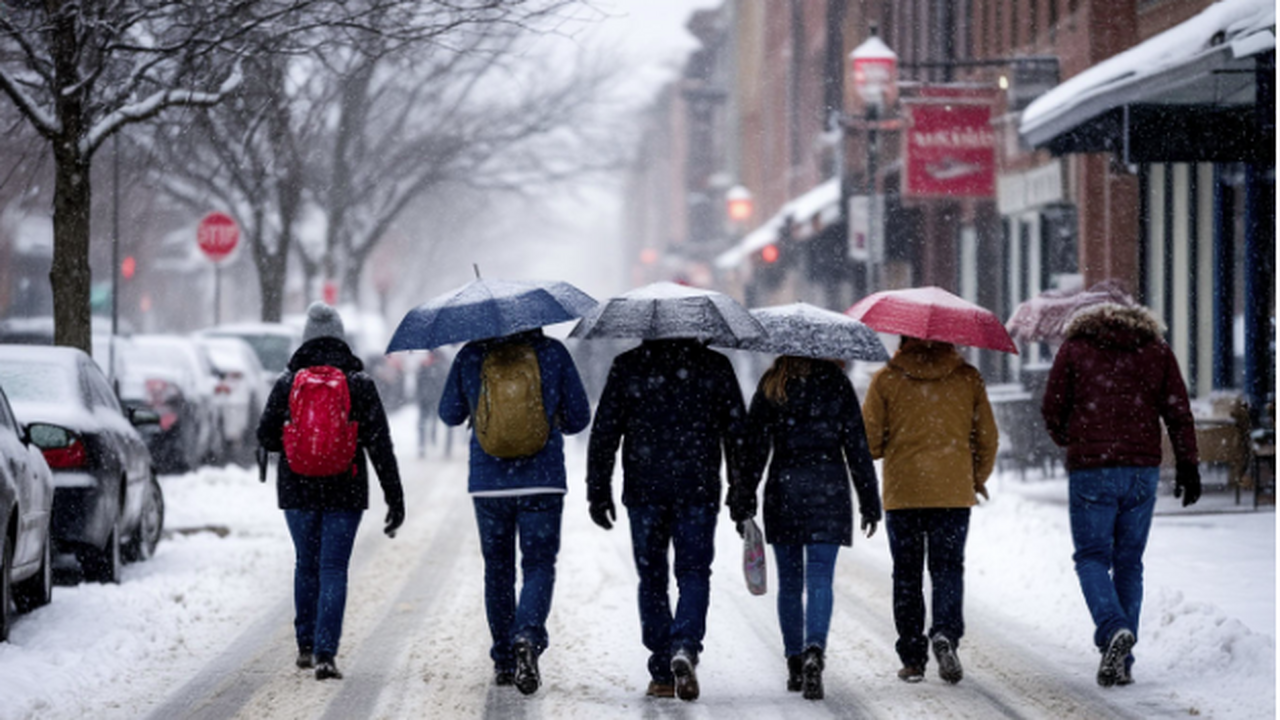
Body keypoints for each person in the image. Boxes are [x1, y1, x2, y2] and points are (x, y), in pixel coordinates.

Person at [1041, 302, 1200, 687]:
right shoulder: (1155, 349)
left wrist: (1072, 439)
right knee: (1129, 562)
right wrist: (1187, 463)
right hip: (1141, 470)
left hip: (1092, 470)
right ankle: (1123, 659)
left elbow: (1052, 407)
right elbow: (1178, 409)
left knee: (1092, 557)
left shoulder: (1075, 348)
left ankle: (1113, 629)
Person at [586, 338, 747, 701]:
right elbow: (737, 433)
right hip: (699, 487)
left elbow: (605, 431)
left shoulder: (628, 364)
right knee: (693, 572)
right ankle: (685, 645)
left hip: (645, 489)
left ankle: (661, 671)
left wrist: (598, 489)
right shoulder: (714, 365)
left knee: (652, 576)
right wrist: (741, 491)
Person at [257, 302, 405, 681]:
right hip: (346, 487)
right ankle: (326, 653)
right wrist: (394, 496)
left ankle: (305, 645)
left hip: (297, 488)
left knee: (306, 564)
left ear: (305, 337)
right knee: (334, 568)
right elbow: (380, 445)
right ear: (342, 337)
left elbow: (265, 436)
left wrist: (298, 438)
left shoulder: (288, 382)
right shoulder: (360, 383)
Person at [438, 327, 591, 695]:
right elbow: (579, 417)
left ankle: (505, 660)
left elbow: (449, 414)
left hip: (489, 482)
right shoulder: (553, 352)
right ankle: (527, 634)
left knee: (498, 568)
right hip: (543, 479)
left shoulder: (472, 353)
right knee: (538, 564)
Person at [729, 355, 882, 700]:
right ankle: (815, 649)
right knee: (819, 578)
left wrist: (743, 496)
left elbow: (754, 448)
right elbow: (856, 444)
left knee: (790, 582)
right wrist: (870, 499)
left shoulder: (772, 384)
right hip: (829, 490)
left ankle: (795, 661)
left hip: (784, 490)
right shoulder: (837, 384)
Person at [861, 336, 998, 685]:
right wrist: (973, 477)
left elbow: (870, 443)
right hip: (952, 492)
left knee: (906, 574)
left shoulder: (887, 379)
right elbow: (987, 437)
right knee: (947, 568)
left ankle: (912, 657)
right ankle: (946, 634)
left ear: (904, 338)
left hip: (903, 493)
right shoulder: (967, 377)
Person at [415, 350, 447, 457]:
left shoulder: (438, 367)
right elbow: (419, 383)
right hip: (428, 399)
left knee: (429, 422)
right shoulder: (426, 367)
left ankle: (428, 443)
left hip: (432, 399)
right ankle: (423, 445)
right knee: (424, 423)